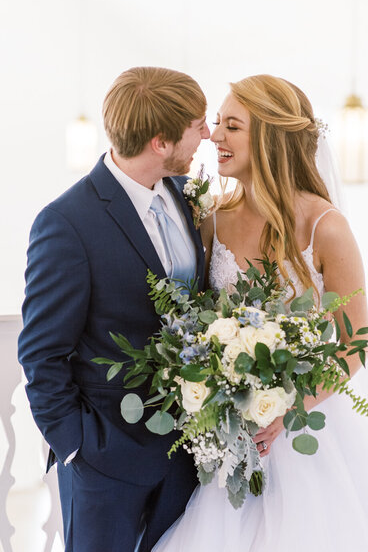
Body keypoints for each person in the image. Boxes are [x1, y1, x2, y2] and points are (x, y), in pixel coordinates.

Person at [152, 74, 368, 551]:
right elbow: (199, 316)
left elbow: (352, 344)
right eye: (218, 123)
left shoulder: (326, 227)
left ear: (268, 137)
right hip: (231, 434)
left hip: (310, 429)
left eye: (232, 126)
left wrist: (289, 410)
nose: (215, 136)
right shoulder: (211, 218)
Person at [18, 66, 210, 552]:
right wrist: (79, 448)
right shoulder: (66, 223)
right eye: (198, 124)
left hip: (187, 455)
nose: (207, 134)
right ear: (161, 142)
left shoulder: (183, 196)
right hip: (105, 465)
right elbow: (41, 354)